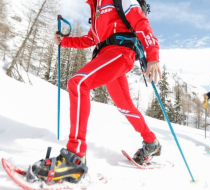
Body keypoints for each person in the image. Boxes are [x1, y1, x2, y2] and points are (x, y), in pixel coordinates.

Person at [27, 0, 162, 184]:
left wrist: (153, 55)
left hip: (121, 52)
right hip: (107, 55)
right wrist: (65, 41)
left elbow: (141, 23)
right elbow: (91, 39)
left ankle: (74, 158)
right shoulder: (95, 7)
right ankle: (151, 141)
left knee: (78, 83)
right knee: (124, 106)